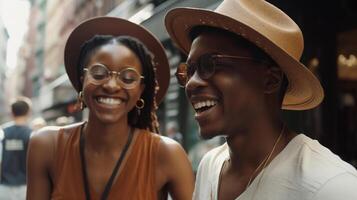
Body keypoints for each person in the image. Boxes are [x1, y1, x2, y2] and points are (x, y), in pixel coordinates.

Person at [165, 0, 357, 199]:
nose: (191, 83)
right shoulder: (209, 166)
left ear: (270, 80)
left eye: (210, 64)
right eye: (190, 71)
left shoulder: (331, 186)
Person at [27, 17, 194, 200]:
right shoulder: (46, 145)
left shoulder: (167, 154)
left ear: (141, 90)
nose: (112, 86)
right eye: (99, 73)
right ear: (82, 81)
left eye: (128, 78)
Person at [0, 97, 32, 200]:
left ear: (12, 113)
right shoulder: (33, 134)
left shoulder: (2, 132)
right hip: (26, 187)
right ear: (28, 112)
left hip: (4, 187)